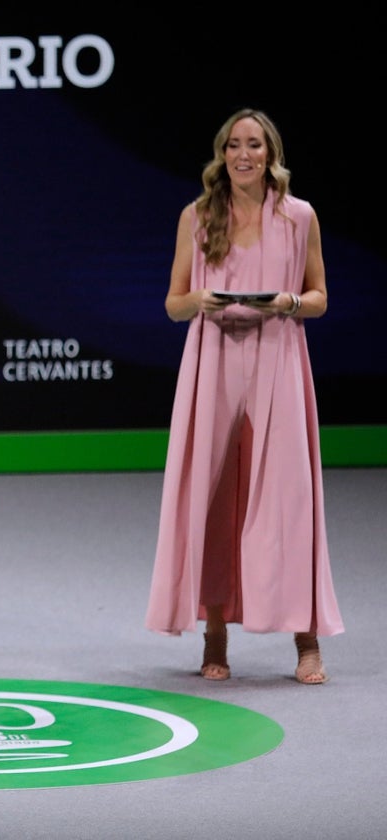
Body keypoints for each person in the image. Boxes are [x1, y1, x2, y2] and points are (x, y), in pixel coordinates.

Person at [145, 108, 343, 685]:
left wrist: (287, 303)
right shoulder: (199, 215)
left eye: (254, 145)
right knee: (212, 497)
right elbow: (174, 303)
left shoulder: (299, 216)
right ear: (222, 153)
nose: (243, 155)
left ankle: (307, 642)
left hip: (279, 359)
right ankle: (214, 635)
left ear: (271, 153)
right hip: (214, 364)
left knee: (290, 498)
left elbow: (320, 296)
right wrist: (200, 301)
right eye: (234, 145)